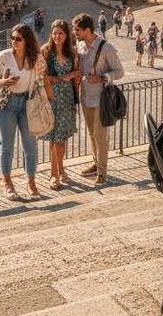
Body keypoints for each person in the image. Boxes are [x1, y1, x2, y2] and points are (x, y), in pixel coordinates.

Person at [0, 23, 42, 200]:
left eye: (18, 39)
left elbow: (41, 79)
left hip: (27, 104)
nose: (14, 41)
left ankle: (31, 181)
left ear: (27, 41)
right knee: (7, 146)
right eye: (12, 38)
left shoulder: (34, 58)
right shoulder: (4, 56)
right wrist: (3, 82)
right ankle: (7, 183)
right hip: (8, 104)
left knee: (30, 145)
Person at [72, 12, 125, 185]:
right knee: (91, 133)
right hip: (85, 96)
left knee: (100, 135)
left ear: (87, 30)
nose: (75, 32)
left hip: (101, 99)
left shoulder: (106, 48)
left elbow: (120, 72)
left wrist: (102, 78)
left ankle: (102, 172)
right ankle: (96, 163)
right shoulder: (81, 46)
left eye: (77, 30)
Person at [41, 19, 80, 189]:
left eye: (60, 33)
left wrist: (71, 75)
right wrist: (53, 79)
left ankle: (57, 171)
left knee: (60, 138)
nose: (57, 36)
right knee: (54, 137)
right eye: (54, 33)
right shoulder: (45, 52)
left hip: (67, 99)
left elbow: (78, 72)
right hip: (51, 99)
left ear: (66, 35)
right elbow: (40, 75)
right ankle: (55, 173)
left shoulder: (73, 54)